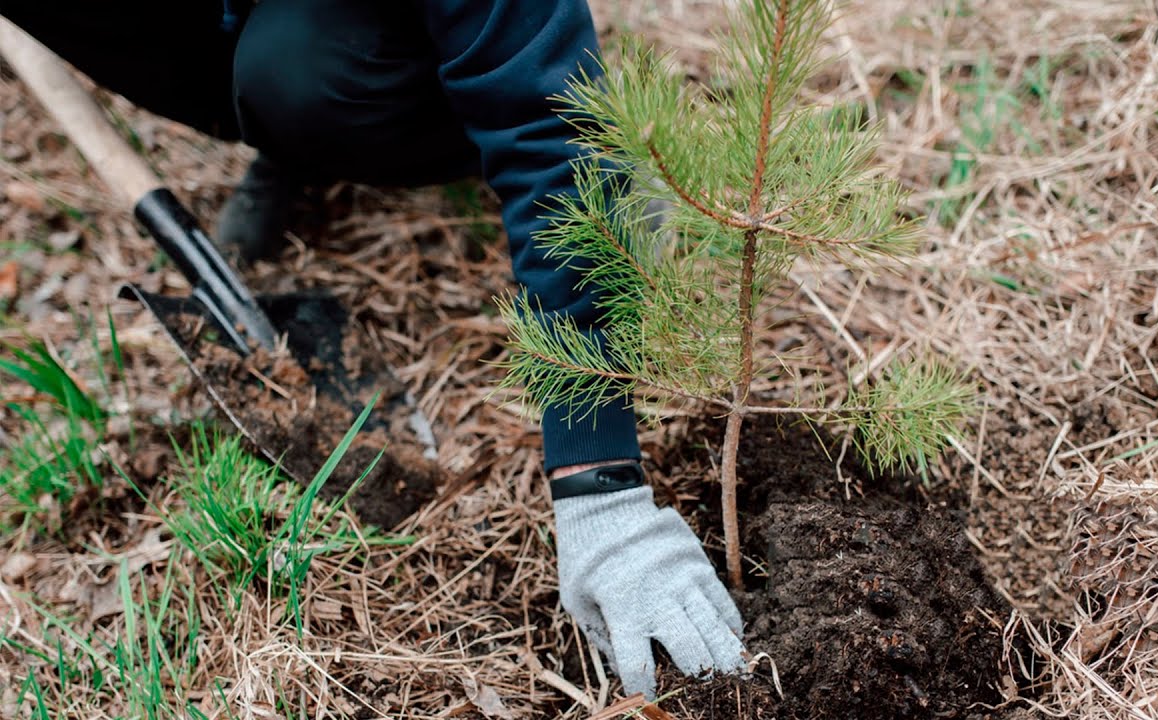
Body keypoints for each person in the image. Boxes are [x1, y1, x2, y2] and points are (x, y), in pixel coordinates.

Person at [0, 0, 746, 700]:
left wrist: (599, 478)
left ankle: (336, 107)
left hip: (412, 43)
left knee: (301, 76)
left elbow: (545, 123)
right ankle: (286, 126)